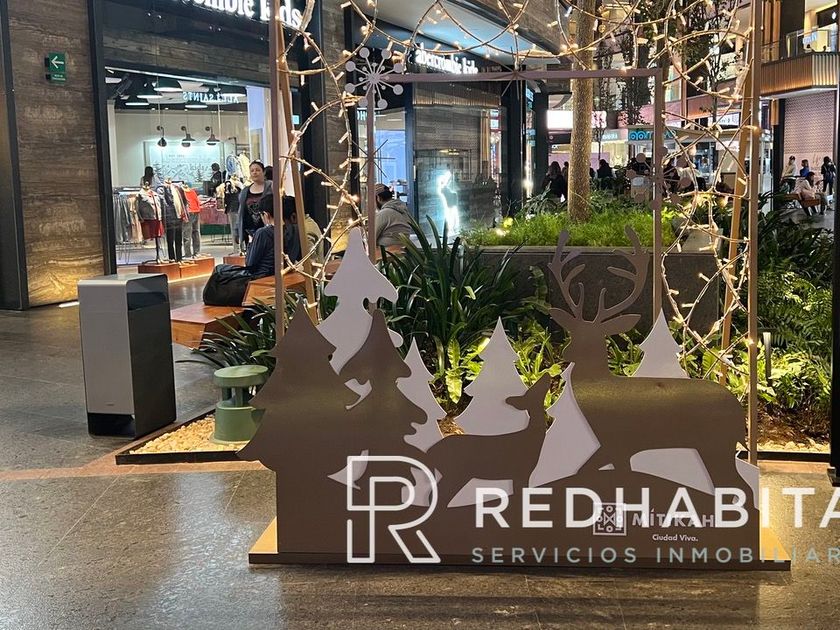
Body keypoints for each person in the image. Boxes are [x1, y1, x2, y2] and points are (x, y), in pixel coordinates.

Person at [238, 161, 273, 253]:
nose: (255, 172)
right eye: (252, 170)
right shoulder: (245, 191)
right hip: (250, 232)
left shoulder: (271, 187)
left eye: (257, 170)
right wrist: (239, 231)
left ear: (263, 172)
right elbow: (241, 212)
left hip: (268, 230)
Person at [244, 196, 277, 279]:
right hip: (279, 274)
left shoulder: (263, 233)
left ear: (266, 215)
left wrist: (250, 243)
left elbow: (249, 264)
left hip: (261, 277)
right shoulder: (291, 229)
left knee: (220, 272)